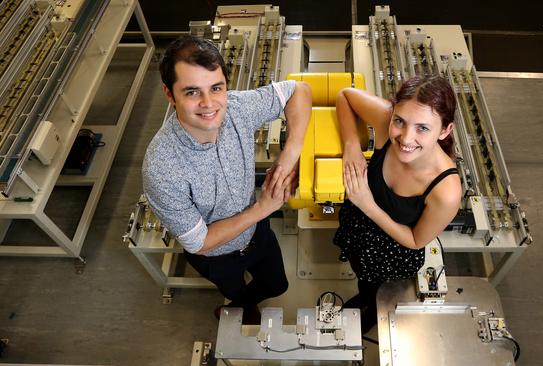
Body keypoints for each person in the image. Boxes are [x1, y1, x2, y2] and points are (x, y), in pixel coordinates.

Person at [142, 35, 311, 324]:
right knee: (234, 291)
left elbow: (299, 91)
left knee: (277, 285)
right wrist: (263, 208)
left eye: (216, 88)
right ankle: (238, 307)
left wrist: (290, 152)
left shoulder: (236, 108)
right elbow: (200, 243)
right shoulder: (161, 168)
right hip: (218, 257)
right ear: (169, 94)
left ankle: (243, 304)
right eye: (192, 92)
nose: (209, 104)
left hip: (257, 233)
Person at [333, 75, 462, 333]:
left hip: (391, 251)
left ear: (445, 130)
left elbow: (416, 240)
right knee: (362, 275)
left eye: (423, 128)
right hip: (360, 230)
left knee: (375, 289)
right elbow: (344, 96)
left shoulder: (446, 191)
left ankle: (370, 308)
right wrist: (352, 146)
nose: (405, 138)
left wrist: (367, 204)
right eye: (400, 121)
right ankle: (366, 295)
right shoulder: (385, 121)